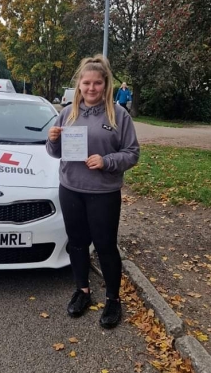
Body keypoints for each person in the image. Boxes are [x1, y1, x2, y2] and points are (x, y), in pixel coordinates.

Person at [46, 55, 140, 329]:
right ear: (79, 85)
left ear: (105, 84)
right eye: (86, 83)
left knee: (105, 246)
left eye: (96, 83)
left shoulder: (118, 114)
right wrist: (52, 141)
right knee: (76, 242)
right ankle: (82, 291)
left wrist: (107, 161)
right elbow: (55, 153)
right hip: (71, 188)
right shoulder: (67, 113)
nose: (91, 88)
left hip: (103, 192)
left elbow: (133, 153)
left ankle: (113, 299)